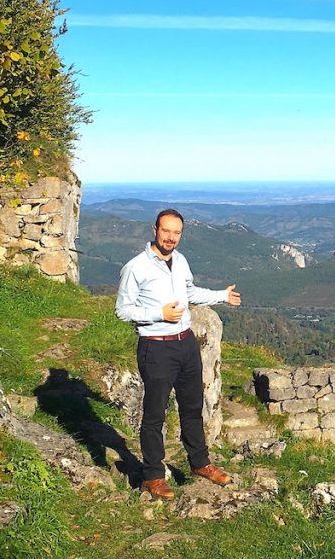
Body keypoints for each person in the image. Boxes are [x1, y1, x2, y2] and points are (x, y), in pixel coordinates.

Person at [115, 208, 242, 500]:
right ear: (154, 230)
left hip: (186, 343)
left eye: (176, 233)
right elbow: (122, 310)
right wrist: (158, 313)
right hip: (156, 346)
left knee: (192, 406)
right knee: (155, 413)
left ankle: (200, 463)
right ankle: (153, 476)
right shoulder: (136, 267)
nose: (171, 237)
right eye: (166, 231)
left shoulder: (181, 261)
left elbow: (190, 293)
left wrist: (221, 296)